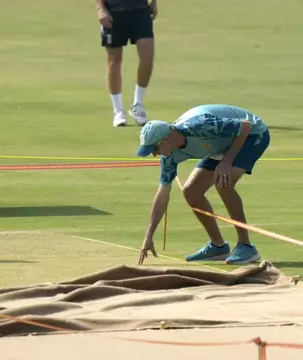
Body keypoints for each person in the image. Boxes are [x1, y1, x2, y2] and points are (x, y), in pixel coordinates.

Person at [135, 104, 271, 265]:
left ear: (166, 139)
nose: (154, 154)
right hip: (220, 144)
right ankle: (218, 246)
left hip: (252, 135)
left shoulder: (200, 125)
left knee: (223, 183)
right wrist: (148, 235)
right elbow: (163, 195)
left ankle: (246, 247)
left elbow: (245, 126)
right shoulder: (169, 157)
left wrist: (227, 161)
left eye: (155, 148)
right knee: (191, 191)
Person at [96, 0, 157, 127]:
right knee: (114, 61)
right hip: (113, 11)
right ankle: (118, 111)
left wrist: (154, 2)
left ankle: (138, 105)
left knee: (147, 57)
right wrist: (101, 8)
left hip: (141, 10)